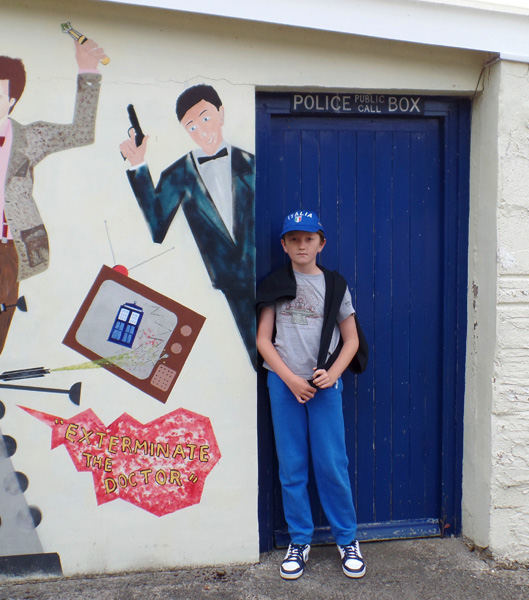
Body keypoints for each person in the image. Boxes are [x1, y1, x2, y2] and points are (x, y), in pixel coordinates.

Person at [0, 38, 105, 371]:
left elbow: (81, 132)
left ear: (13, 100)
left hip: (6, 253)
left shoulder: (32, 138)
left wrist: (87, 70)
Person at [255, 210, 365, 580]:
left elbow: (351, 340)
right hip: (284, 386)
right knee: (292, 465)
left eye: (309, 239)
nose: (302, 245)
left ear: (321, 243)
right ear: (284, 245)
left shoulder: (335, 285)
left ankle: (347, 539)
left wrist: (331, 375)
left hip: (324, 388)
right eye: (294, 239)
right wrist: (289, 379)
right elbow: (263, 341)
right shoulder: (274, 284)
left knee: (332, 464)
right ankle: (299, 540)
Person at [119, 84, 256, 368]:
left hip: (265, 278)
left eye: (205, 118)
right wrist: (137, 165)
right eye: (191, 127)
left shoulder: (253, 165)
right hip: (226, 285)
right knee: (254, 360)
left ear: (221, 113)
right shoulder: (179, 173)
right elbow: (157, 227)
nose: (202, 131)